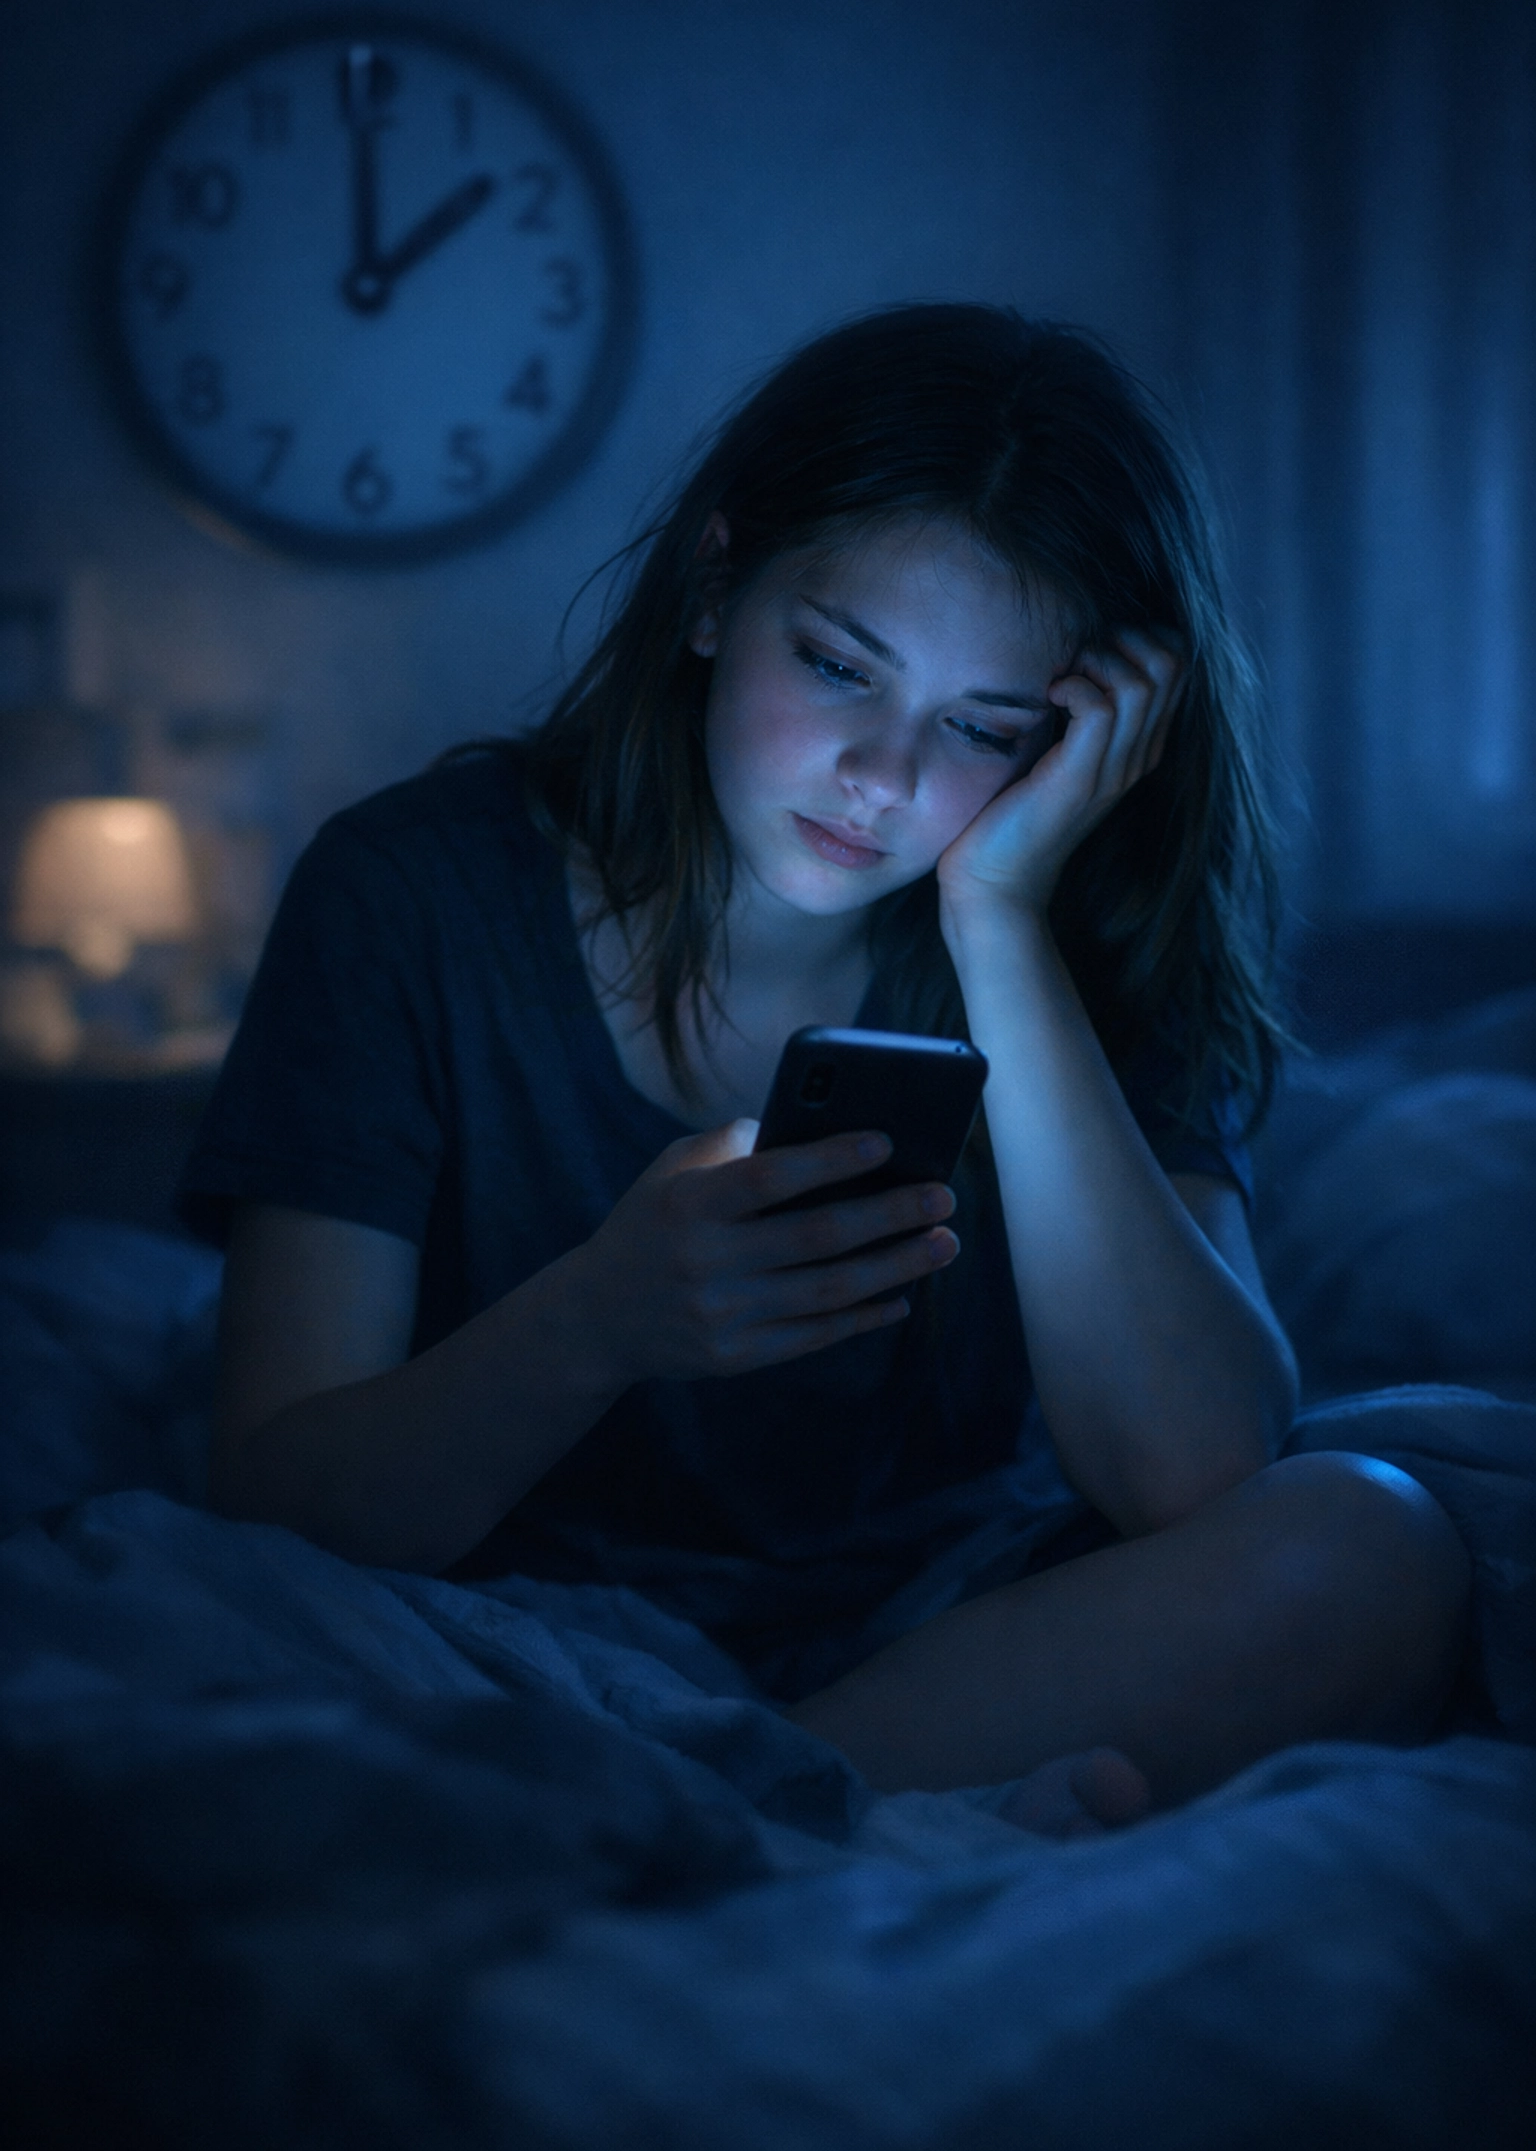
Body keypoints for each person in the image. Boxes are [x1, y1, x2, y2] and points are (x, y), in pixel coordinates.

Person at [186, 305, 1470, 1835]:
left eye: (984, 729)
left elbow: (1194, 1471)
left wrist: (1000, 918)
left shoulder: (1082, 926)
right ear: (718, 587)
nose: (886, 778)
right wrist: (595, 1325)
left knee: (1371, 1541)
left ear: (1078, 751)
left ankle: (732, 1804)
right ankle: (828, 1812)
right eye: (841, 666)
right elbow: (273, 1504)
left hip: (944, 1626)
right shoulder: (410, 893)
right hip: (506, 1626)